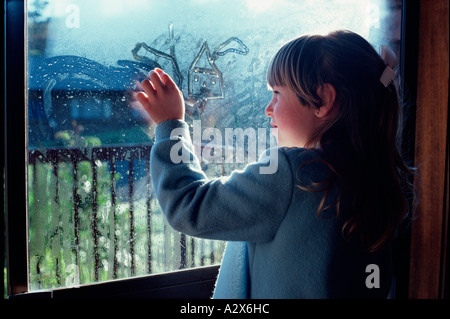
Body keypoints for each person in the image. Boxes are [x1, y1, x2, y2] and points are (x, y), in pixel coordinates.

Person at [135, 30, 414, 299]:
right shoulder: (374, 177)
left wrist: (170, 125)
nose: (268, 108)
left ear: (324, 100)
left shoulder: (292, 173)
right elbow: (373, 281)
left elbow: (188, 206)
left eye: (277, 93)